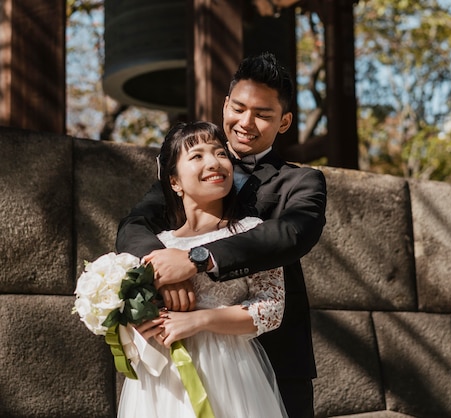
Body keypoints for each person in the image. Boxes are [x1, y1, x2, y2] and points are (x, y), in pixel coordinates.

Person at [116, 52, 327, 418]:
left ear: (285, 121)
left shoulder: (301, 181)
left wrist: (196, 259)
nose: (246, 122)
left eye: (262, 114)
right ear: (225, 104)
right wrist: (160, 269)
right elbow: (133, 226)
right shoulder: (187, 172)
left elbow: (293, 233)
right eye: (239, 108)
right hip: (176, 364)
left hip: (273, 356)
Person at [117, 121, 288, 417]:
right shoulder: (158, 246)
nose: (214, 162)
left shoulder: (251, 232)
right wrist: (140, 325)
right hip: (161, 379)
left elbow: (272, 309)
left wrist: (198, 321)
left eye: (221, 154)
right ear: (174, 182)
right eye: (197, 156)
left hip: (228, 370)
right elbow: (137, 309)